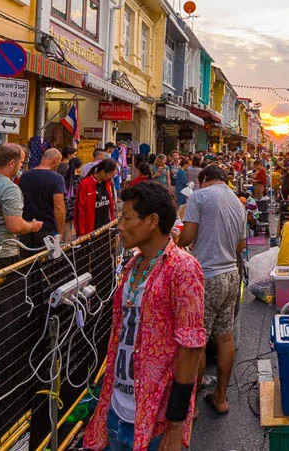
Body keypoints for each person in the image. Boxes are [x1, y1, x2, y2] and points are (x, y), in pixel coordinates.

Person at [83, 182, 206, 451]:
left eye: (127, 218)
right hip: (117, 410)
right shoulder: (132, 265)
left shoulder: (183, 269)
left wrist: (175, 426)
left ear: (152, 221)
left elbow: (190, 348)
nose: (120, 226)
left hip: (155, 421)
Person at [178, 165, 246, 416]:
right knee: (225, 337)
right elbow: (240, 245)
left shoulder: (200, 196)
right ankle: (220, 398)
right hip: (231, 275)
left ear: (204, 179)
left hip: (207, 275)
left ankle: (192, 405)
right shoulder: (237, 202)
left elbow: (188, 236)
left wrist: (176, 242)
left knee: (198, 340)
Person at [18, 147, 68, 245]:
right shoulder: (57, 178)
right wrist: (61, 232)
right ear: (56, 161)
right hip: (46, 229)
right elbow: (59, 207)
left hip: (26, 227)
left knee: (27, 259)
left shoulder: (25, 176)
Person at [76, 158, 119, 236]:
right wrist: (81, 232)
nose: (111, 177)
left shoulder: (108, 183)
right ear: (102, 172)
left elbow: (111, 206)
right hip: (91, 229)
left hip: (107, 227)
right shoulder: (85, 184)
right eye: (111, 175)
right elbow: (80, 210)